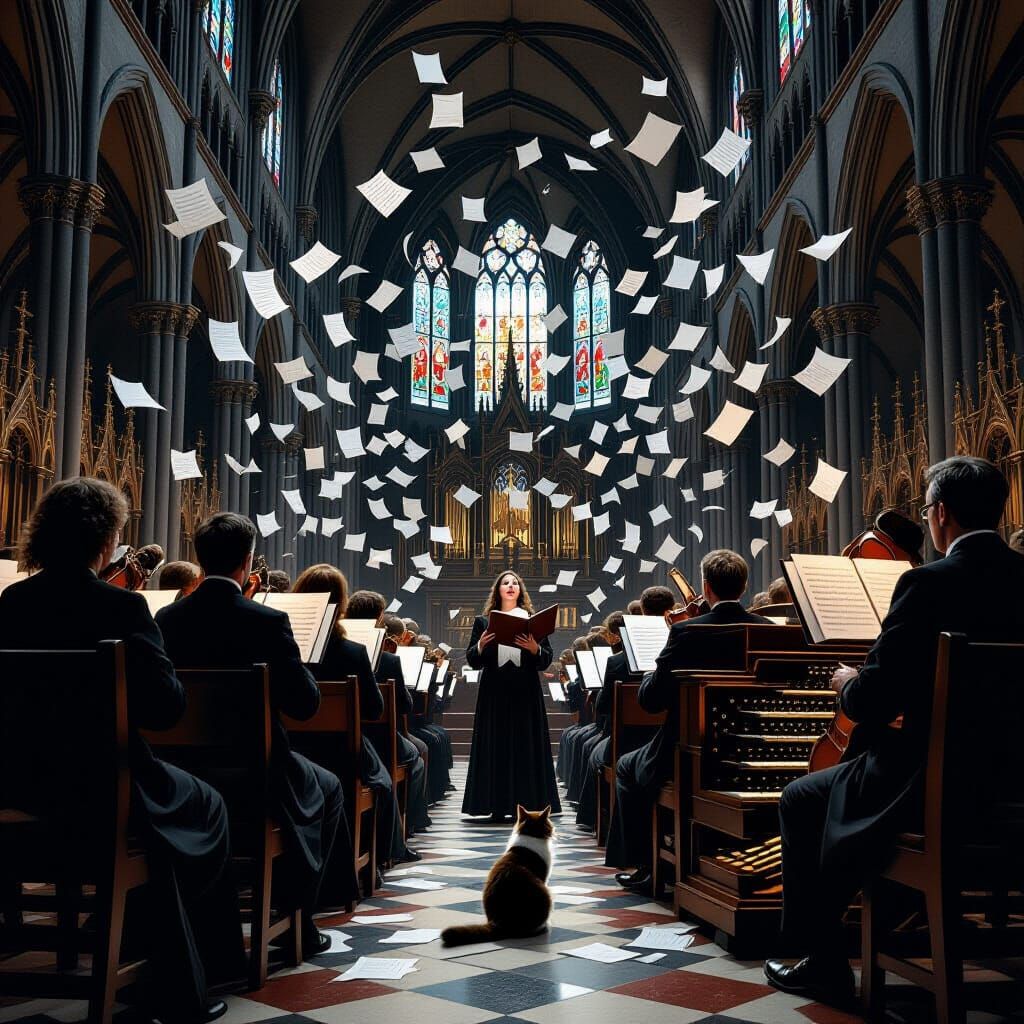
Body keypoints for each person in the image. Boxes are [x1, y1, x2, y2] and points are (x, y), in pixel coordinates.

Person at [765, 456, 1024, 1005]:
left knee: (800, 797)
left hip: (934, 788)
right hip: (1013, 789)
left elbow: (876, 701)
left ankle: (825, 961)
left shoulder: (926, 584)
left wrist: (846, 682)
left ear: (940, 514)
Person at [0, 478, 241, 1024]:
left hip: (18, 786)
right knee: (205, 806)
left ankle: (130, 930)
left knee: (167, 813)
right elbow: (164, 711)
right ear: (106, 542)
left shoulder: (9, 604)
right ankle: (190, 965)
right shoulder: (123, 608)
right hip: (101, 791)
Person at [155, 513, 350, 956]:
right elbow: (304, 705)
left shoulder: (167, 618)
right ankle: (298, 918)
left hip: (184, 772)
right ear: (247, 562)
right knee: (331, 787)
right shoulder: (267, 621)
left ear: (200, 559)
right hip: (257, 773)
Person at [607, 551, 770, 893]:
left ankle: (646, 864)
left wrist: (654, 669)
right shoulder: (767, 631)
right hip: (755, 747)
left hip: (690, 750)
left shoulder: (687, 632)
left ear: (706, 587)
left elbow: (651, 701)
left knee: (625, 766)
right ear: (744, 586)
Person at [291, 566, 417, 871]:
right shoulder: (353, 652)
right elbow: (375, 710)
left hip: (294, 747)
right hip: (343, 752)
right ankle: (378, 854)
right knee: (383, 784)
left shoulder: (285, 647)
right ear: (341, 605)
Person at [576, 588, 677, 833]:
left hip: (627, 742)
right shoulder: (683, 645)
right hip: (673, 742)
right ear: (671, 611)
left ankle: (599, 823)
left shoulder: (617, 661)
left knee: (595, 754)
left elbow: (602, 708)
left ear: (642, 612)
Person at [463, 571, 560, 821]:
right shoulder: (483, 622)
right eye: (505, 583)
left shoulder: (532, 620)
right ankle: (496, 804)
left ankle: (528, 801)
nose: (510, 586)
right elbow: (472, 660)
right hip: (494, 690)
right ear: (497, 590)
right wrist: (481, 645)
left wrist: (535, 648)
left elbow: (546, 660)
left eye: (515, 582)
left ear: (520, 590)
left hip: (525, 690)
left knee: (525, 742)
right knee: (496, 742)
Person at [346, 590, 432, 836]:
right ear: (379, 618)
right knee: (417, 756)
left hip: (324, 741)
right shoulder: (387, 660)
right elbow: (403, 706)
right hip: (377, 739)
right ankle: (409, 825)